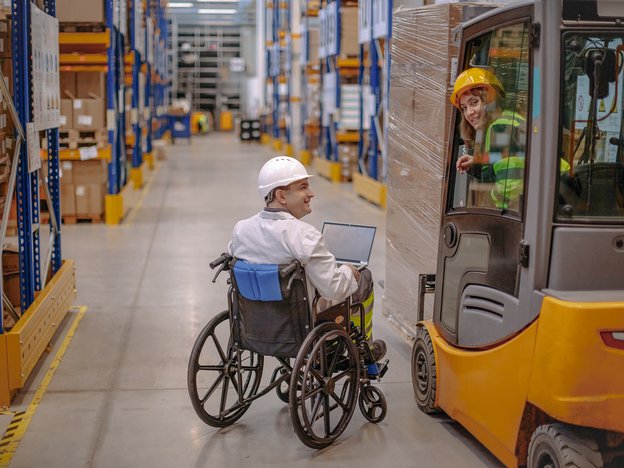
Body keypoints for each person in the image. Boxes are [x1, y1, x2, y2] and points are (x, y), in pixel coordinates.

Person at [228, 156, 386, 361]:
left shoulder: (241, 230)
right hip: (300, 319)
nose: (311, 194)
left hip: (256, 321)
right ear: (281, 195)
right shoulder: (304, 235)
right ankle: (361, 349)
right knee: (364, 278)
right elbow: (334, 288)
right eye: (303, 187)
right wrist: (348, 271)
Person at [451, 67, 529, 210]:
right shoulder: (505, 121)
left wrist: (485, 210)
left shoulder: (501, 127)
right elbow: (500, 173)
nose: (469, 112)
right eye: (464, 108)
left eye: (474, 102)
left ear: (491, 100)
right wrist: (475, 163)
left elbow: (509, 188)